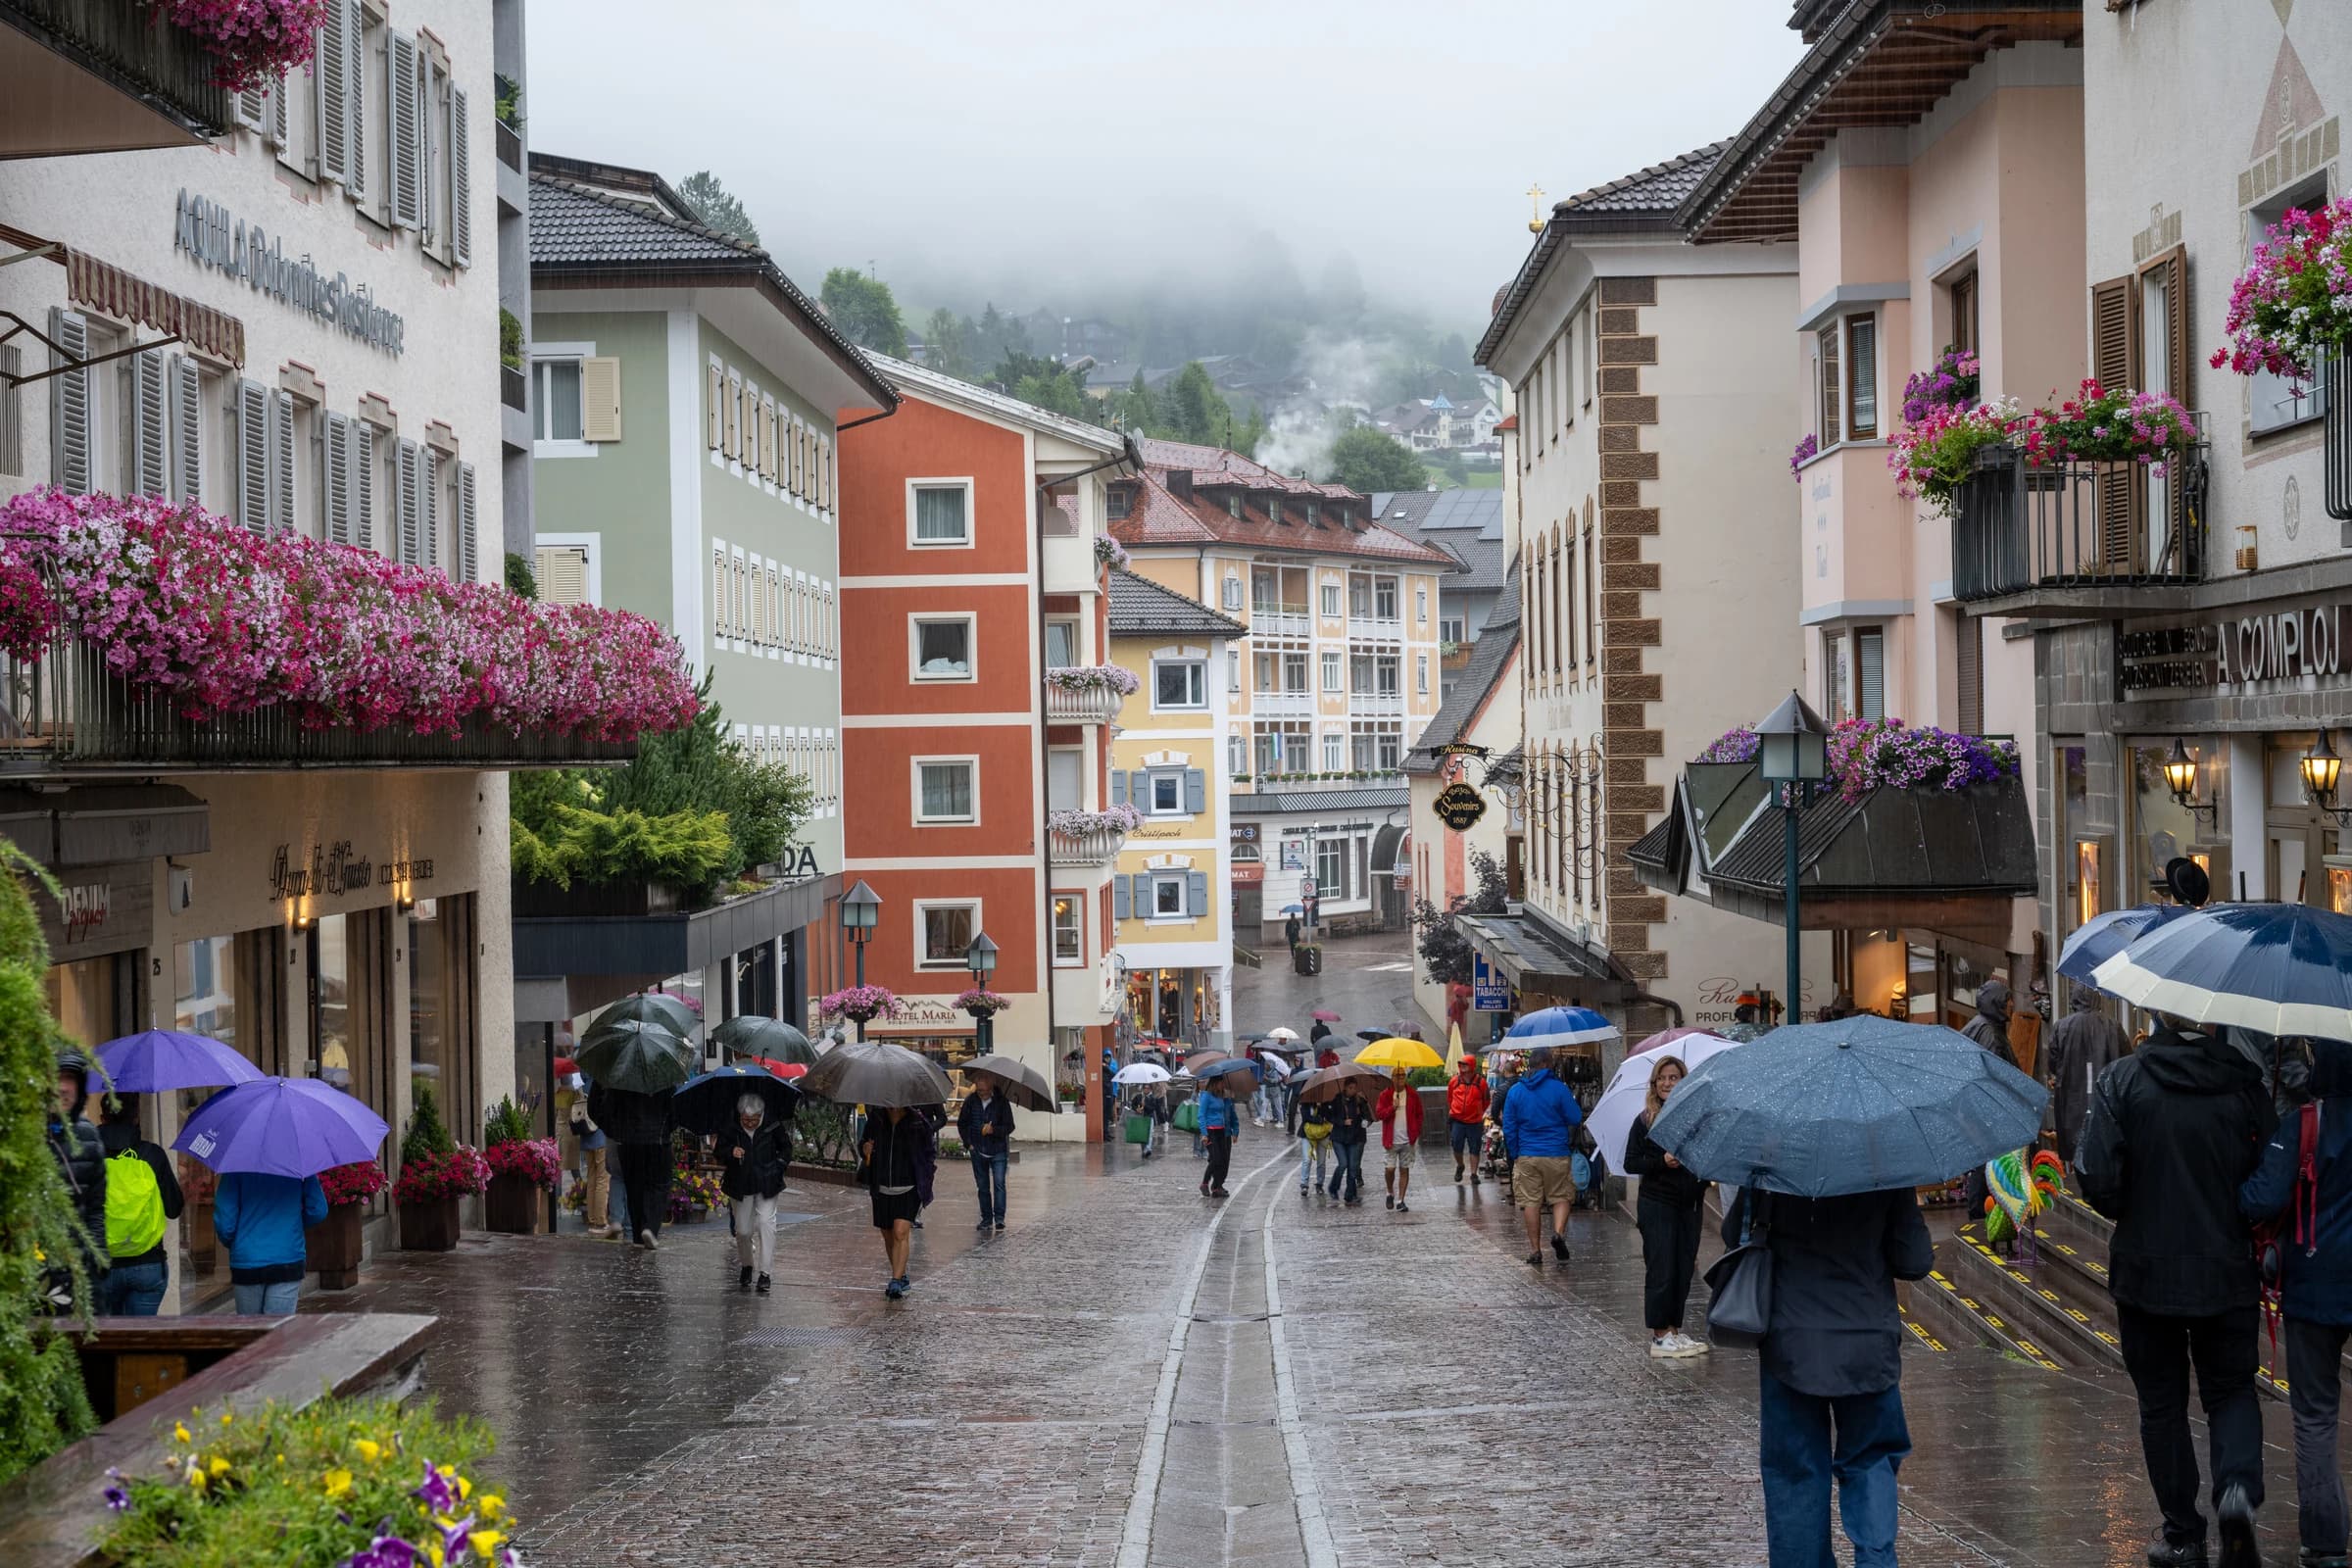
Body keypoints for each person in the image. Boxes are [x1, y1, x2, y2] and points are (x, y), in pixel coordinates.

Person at [2079, 1014, 2275, 1568]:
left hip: (2146, 1274)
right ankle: (2235, 1492)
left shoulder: (2123, 1081)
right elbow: (2267, 1178)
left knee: (2161, 1405)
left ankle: (2184, 1533)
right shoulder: (2245, 1085)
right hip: (2225, 1270)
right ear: (2214, 1022)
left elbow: (2097, 1178)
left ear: (2158, 1017)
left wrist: (2133, 1205)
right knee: (2231, 1390)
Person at [1730, 1183, 1934, 1566]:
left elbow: (1734, 1237)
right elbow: (1915, 1260)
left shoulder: (1770, 1158)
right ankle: (1876, 1561)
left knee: (1795, 1474)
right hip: (1867, 1342)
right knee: (1871, 1462)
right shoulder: (1884, 1163)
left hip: (1791, 1344)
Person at [2241, 1048, 2352, 1568]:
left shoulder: (2305, 1123)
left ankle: (2326, 1542)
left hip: (2314, 1286)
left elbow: (2260, 1200)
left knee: (2315, 1415)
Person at [1621, 1056, 1705, 1358]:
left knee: (1683, 1268)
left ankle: (1674, 1330)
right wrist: (1662, 1162)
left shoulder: (1694, 1119)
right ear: (1654, 1084)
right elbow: (1631, 1162)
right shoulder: (1645, 1120)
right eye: (1663, 1078)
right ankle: (1659, 1336)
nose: (1668, 1083)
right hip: (1658, 1203)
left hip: (1690, 1203)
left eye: (1674, 1078)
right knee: (1662, 1268)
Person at [97, 1093, 184, 1316]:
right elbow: (174, 1209)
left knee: (106, 1339)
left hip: (102, 1266)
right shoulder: (151, 1154)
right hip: (147, 1263)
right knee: (142, 1335)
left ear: (102, 1117)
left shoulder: (89, 1154)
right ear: (136, 1117)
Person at [1502, 1046, 1582, 1268]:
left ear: (1531, 1066)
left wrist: (1516, 1152)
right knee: (1561, 1196)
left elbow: (1509, 1126)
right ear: (1548, 1064)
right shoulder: (1559, 1089)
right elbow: (1575, 1117)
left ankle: (1535, 1250)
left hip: (1527, 1154)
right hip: (1556, 1152)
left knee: (1531, 1202)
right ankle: (1557, 1234)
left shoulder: (1516, 1091)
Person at [215, 1166, 327, 1316]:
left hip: (248, 1257)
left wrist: (235, 1242)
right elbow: (318, 1210)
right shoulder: (299, 1166)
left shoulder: (236, 1168)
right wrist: (294, 1225)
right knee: (279, 1331)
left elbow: (225, 1222)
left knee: (250, 1330)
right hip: (287, 1255)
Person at [45, 1052, 106, 1305]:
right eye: (55, 1077)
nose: (63, 1087)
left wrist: (99, 1260)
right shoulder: (20, 1136)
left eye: (69, 1078)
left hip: (80, 1269)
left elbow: (95, 1207)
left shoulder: (89, 1136)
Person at [2044, 989, 2130, 1164]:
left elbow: (2053, 1063)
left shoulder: (2062, 1026)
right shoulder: (2113, 1026)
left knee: (2077, 1155)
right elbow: (2127, 1061)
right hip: (2106, 1107)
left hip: (2072, 1107)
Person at [589, 1079, 676, 1250]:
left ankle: (638, 1235)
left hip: (628, 1140)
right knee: (658, 1185)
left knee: (634, 1187)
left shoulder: (617, 1074)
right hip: (657, 1139)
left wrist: (614, 1130)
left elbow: (595, 1107)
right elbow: (675, 1108)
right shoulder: (661, 1074)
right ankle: (649, 1227)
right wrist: (666, 1130)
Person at [861, 1103, 935, 1299]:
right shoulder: (876, 1119)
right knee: (888, 1234)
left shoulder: (917, 1122)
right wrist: (866, 1150)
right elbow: (865, 1145)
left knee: (900, 1232)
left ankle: (895, 1281)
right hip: (882, 1186)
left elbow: (929, 1153)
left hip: (909, 1187)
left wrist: (925, 1178)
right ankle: (900, 1274)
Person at [720, 1093, 788, 1295]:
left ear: (761, 1115)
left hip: (767, 1183)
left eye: (753, 1120)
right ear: (740, 1115)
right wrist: (730, 1152)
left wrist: (778, 1167)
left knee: (767, 1224)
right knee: (742, 1230)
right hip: (740, 1184)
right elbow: (719, 1150)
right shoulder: (731, 1125)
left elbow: (786, 1148)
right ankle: (747, 1265)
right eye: (745, 1120)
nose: (749, 1124)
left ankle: (765, 1273)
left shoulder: (772, 1124)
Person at [957, 1075, 1016, 1234]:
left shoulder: (1002, 1102)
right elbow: (962, 1123)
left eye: (983, 1091)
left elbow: (1010, 1126)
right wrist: (968, 1143)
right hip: (977, 1149)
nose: (981, 1093)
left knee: (999, 1184)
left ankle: (999, 1218)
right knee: (982, 1187)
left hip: (997, 1150)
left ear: (991, 1088)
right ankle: (986, 1219)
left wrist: (994, 1130)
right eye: (978, 1090)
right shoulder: (971, 1101)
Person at [569, 1077, 613, 1238]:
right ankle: (601, 1220)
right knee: (603, 1179)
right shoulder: (601, 1081)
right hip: (600, 1136)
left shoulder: (582, 1081)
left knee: (592, 1177)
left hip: (587, 1135)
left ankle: (592, 1219)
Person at [1376, 1068, 1423, 1212]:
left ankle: (1401, 1200)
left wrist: (1415, 1132)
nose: (1401, 1078)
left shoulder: (1412, 1094)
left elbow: (1419, 1114)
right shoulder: (1385, 1095)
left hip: (1407, 1140)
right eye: (1398, 1075)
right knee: (1390, 1169)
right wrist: (1392, 1107)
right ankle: (1389, 1191)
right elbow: (1379, 1114)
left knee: (1404, 1169)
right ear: (1392, 1078)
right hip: (1391, 1140)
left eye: (1403, 1075)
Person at [1446, 1054, 1490, 1187]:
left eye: (1465, 1064)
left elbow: (1486, 1100)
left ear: (1471, 1066)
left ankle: (1473, 1174)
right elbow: (1450, 1098)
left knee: (1474, 1148)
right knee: (1456, 1146)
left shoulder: (1481, 1083)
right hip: (1457, 1120)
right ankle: (1460, 1165)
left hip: (1474, 1121)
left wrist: (1478, 1112)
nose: (1462, 1067)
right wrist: (1456, 1110)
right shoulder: (1454, 1081)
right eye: (1461, 1064)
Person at [1326, 1080, 1370, 1204]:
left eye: (1354, 1088)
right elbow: (1329, 1116)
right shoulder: (1337, 1100)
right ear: (1345, 1088)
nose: (1353, 1090)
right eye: (1350, 1088)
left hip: (1354, 1137)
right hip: (1339, 1138)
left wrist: (1364, 1105)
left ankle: (1350, 1194)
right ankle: (1333, 1188)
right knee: (1343, 1164)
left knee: (1353, 1167)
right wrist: (1342, 1122)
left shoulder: (1359, 1101)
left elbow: (1367, 1116)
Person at [1960, 977, 2020, 1067]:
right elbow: (1997, 1073)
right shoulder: (1992, 1037)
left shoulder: (1979, 1021)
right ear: (1996, 1002)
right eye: (2007, 1000)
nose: (2011, 1004)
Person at [1199, 1081, 1235, 1199]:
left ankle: (1217, 1186)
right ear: (1215, 1084)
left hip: (1221, 1131)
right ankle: (1204, 1183)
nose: (1223, 1086)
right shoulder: (1206, 1096)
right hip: (1210, 1131)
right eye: (1221, 1084)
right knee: (1215, 1158)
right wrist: (1204, 1134)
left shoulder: (1220, 1096)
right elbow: (1201, 1115)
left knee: (1221, 1160)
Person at [1295, 1086, 1332, 1196]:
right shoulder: (1305, 1102)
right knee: (1307, 1159)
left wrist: (1321, 1107)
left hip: (1323, 1135)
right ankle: (1304, 1185)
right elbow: (1306, 1117)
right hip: (1307, 1134)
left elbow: (1329, 1116)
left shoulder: (1326, 1102)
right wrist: (1319, 1119)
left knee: (1321, 1162)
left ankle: (1319, 1184)